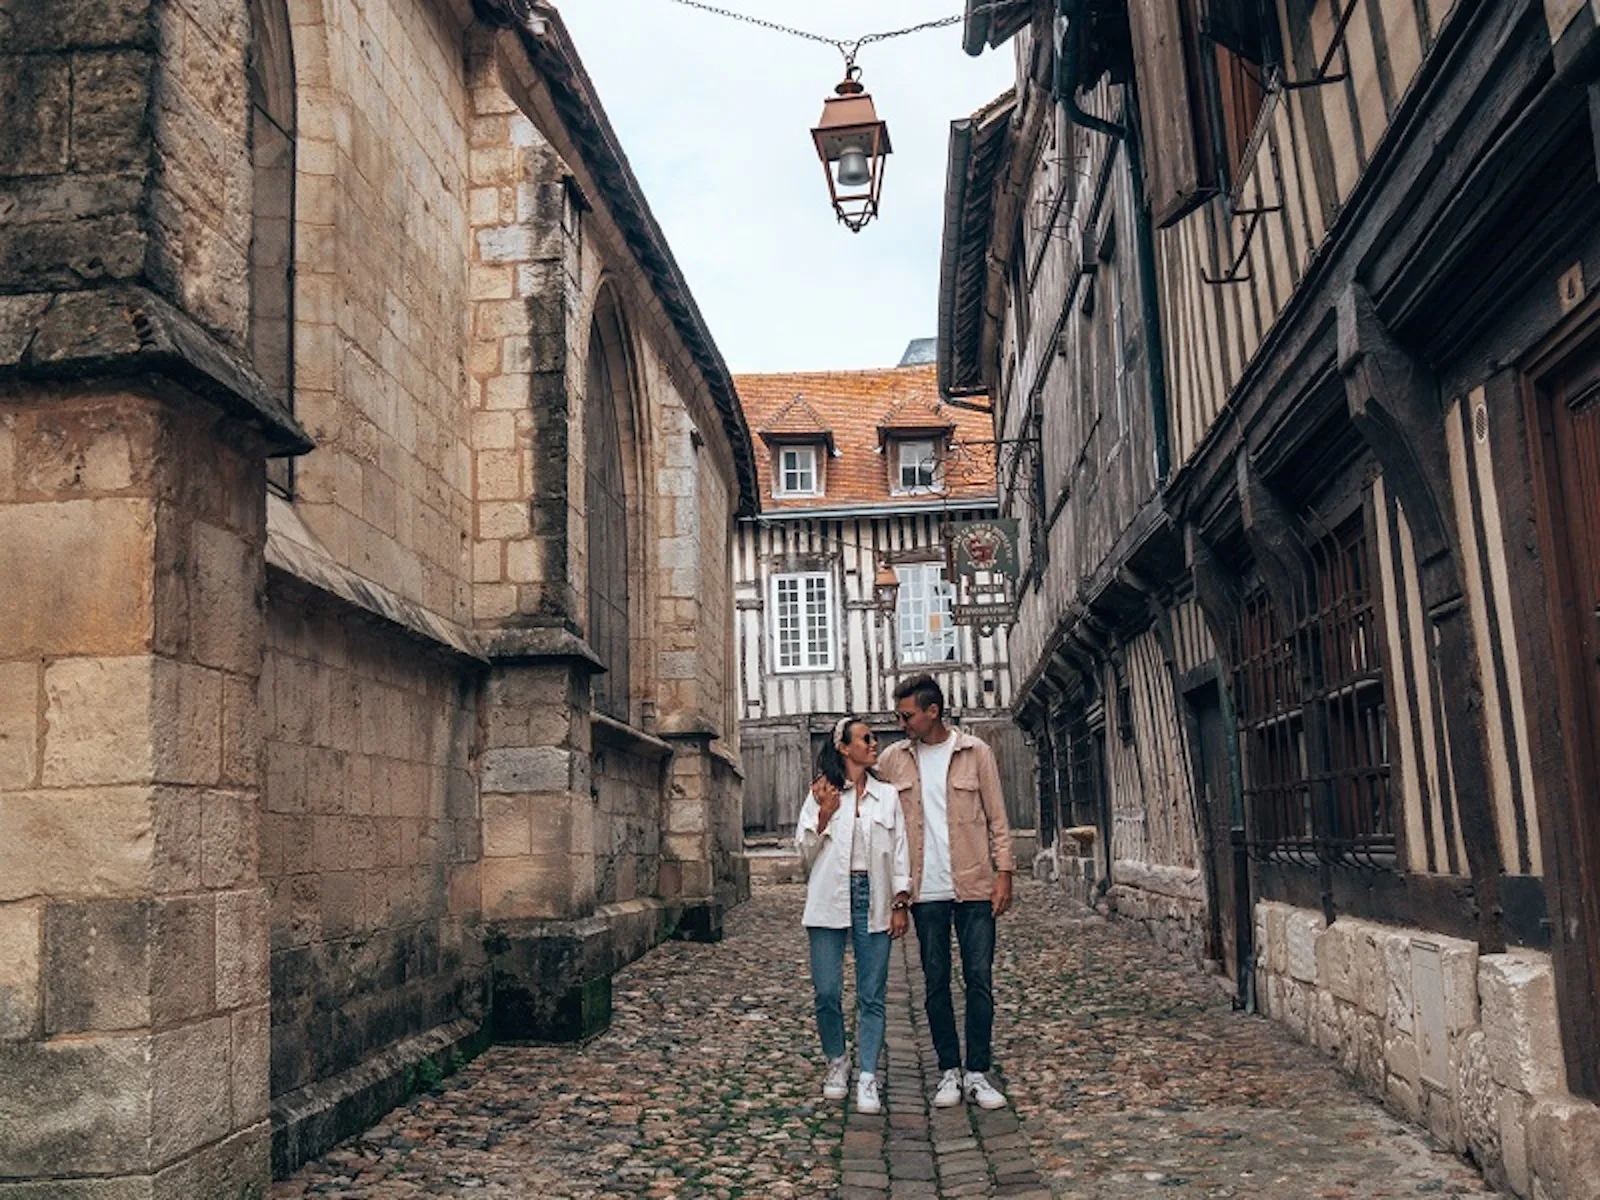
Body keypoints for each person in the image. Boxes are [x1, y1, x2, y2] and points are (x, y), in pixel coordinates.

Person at [877, 673, 1014, 1111]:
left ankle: (978, 1071)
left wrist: (1005, 873)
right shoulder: (892, 760)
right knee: (935, 982)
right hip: (925, 892)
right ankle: (948, 1072)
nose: (901, 722)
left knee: (979, 980)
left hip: (973, 884)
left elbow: (997, 817)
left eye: (907, 714)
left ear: (932, 711)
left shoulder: (977, 753)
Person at [795, 715, 911, 1115]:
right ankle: (837, 1062)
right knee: (827, 992)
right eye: (865, 738)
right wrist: (825, 815)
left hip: (873, 898)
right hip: (829, 898)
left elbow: (900, 851)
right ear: (844, 747)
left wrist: (900, 901)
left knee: (871, 995)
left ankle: (867, 1076)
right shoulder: (821, 793)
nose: (873, 743)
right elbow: (804, 856)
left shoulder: (888, 795)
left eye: (873, 738)